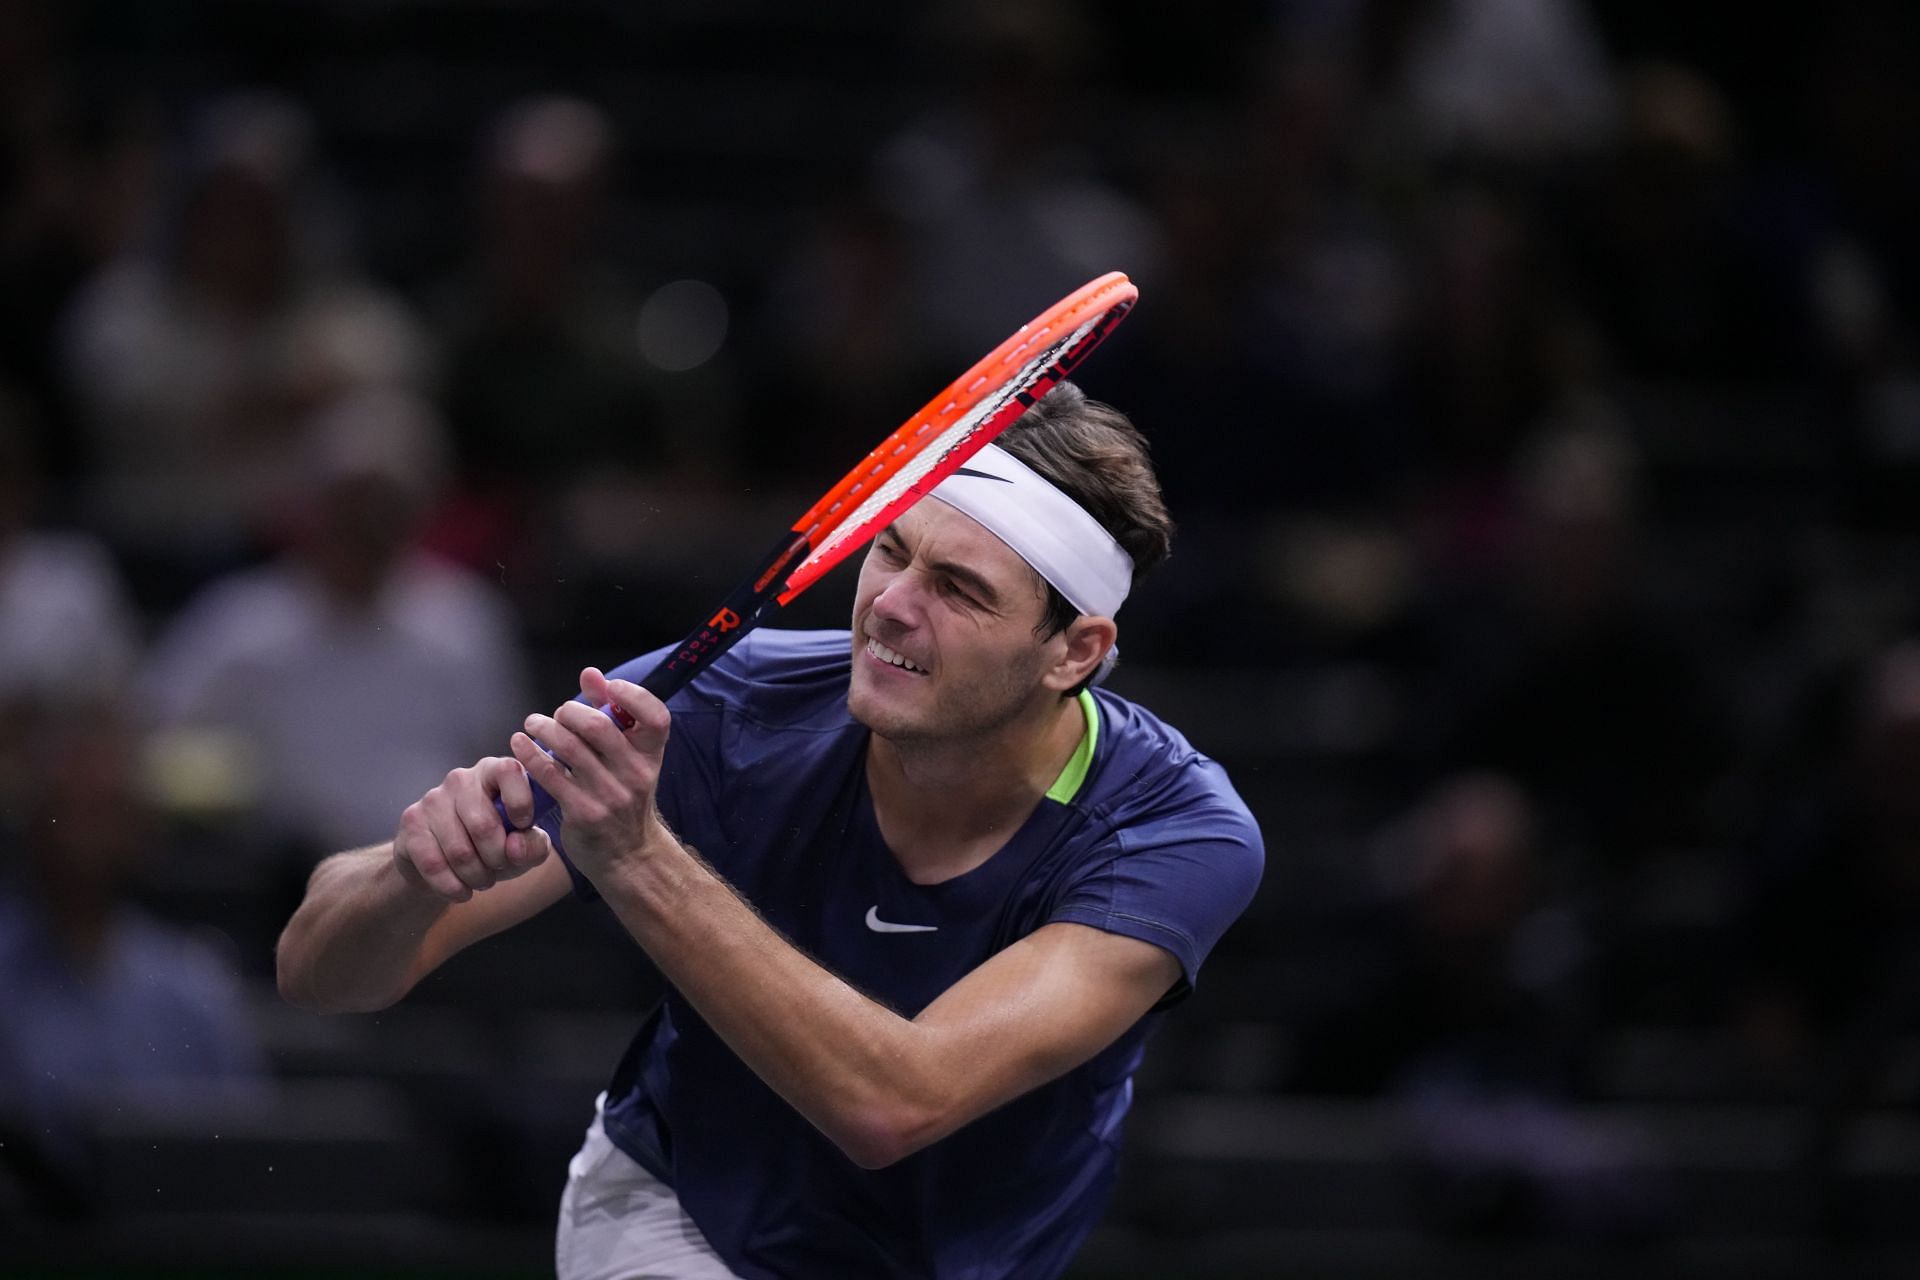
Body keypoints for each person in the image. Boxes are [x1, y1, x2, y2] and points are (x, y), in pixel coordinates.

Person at [276, 381, 1265, 1279]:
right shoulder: (714, 705)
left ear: (1075, 650)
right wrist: (409, 872)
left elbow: (897, 1104)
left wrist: (640, 859)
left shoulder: (1173, 829)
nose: (890, 608)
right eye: (891, 549)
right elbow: (321, 973)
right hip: (682, 1220)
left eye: (959, 589)